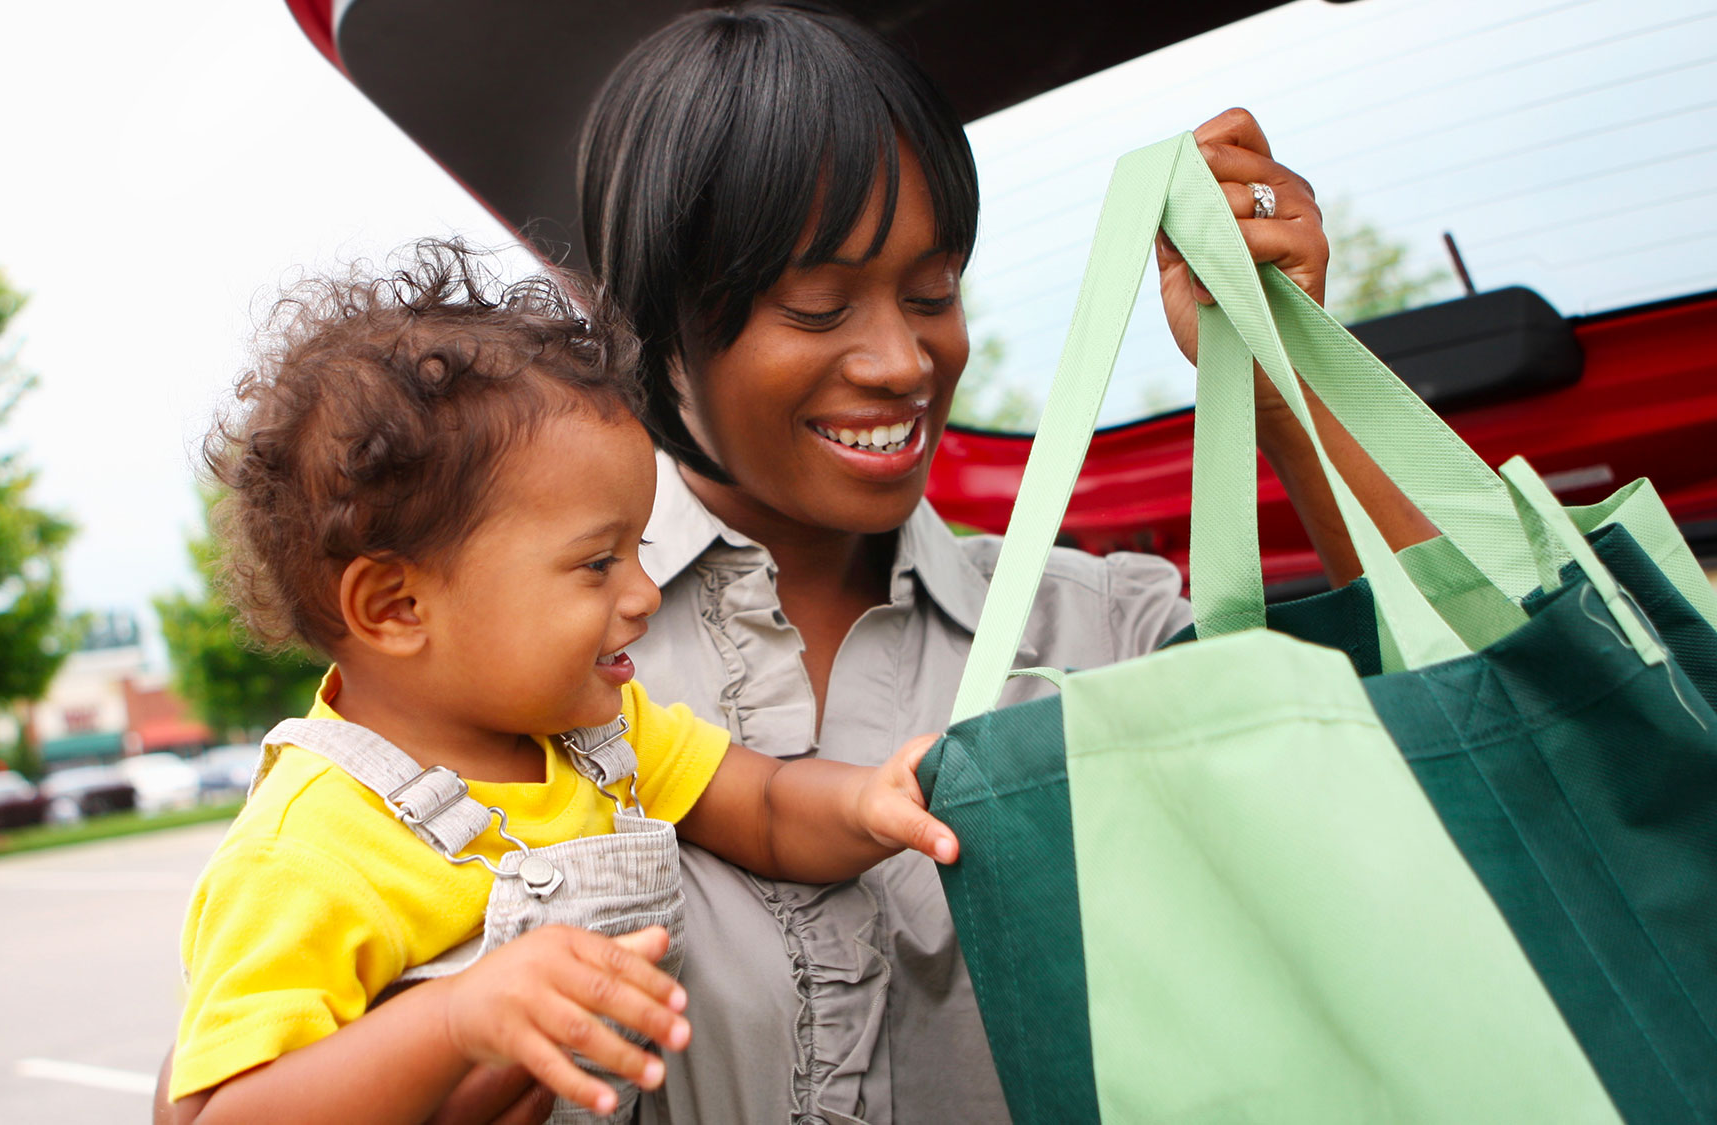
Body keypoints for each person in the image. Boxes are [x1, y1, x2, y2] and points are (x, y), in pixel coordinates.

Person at [566, 5, 1439, 1123]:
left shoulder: (1104, 631)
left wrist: (1289, 387)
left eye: (932, 292)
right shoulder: (523, 659)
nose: (902, 359)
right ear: (657, 328)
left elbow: (1474, 738)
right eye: (818, 306)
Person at [164, 244, 961, 1125]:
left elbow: (766, 806)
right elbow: (210, 1114)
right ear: (395, 605)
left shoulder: (596, 741)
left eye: (639, 551)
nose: (645, 595)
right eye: (596, 563)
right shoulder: (308, 848)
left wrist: (867, 802)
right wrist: (454, 1019)